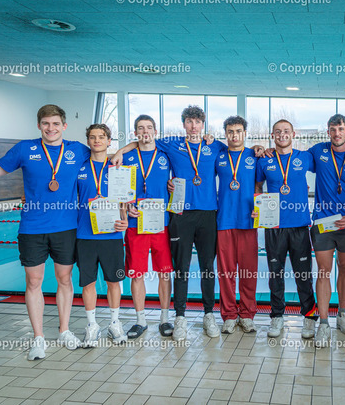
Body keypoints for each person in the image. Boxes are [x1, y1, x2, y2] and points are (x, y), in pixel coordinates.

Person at [112, 106, 264, 340]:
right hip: (180, 214)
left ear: (203, 125)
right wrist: (121, 150)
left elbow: (240, 150)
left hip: (208, 214)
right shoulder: (172, 144)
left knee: (207, 267)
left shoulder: (215, 146)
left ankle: (208, 314)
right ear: (184, 124)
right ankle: (180, 317)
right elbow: (144, 140)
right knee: (181, 268)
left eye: (198, 122)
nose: (193, 126)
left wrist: (258, 147)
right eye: (189, 122)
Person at [0, 104, 87, 359]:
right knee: (33, 282)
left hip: (66, 227)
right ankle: (38, 337)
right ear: (39, 125)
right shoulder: (25, 149)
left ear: (64, 126)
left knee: (64, 279)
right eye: (46, 123)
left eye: (55, 123)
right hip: (32, 228)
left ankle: (64, 330)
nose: (51, 128)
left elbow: (106, 159)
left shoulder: (78, 150)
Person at [308, 114, 345, 347]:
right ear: (328, 132)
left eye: (341, 129)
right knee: (324, 271)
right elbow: (291, 157)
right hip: (323, 223)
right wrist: (264, 150)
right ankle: (323, 323)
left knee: (344, 267)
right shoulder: (318, 151)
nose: (337, 133)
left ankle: (342, 313)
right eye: (333, 129)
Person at [255, 119, 318, 339]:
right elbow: (257, 185)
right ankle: (277, 317)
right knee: (275, 274)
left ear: (294, 134)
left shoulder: (305, 157)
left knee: (303, 275)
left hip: (299, 225)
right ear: (272, 135)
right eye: (278, 131)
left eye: (286, 131)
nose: (282, 134)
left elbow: (329, 155)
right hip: (274, 226)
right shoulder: (264, 160)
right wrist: (258, 205)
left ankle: (309, 317)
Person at [75, 124, 128, 346]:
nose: (97, 140)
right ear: (88, 141)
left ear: (109, 141)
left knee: (113, 281)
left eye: (102, 137)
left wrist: (125, 219)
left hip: (112, 236)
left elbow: (123, 199)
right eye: (92, 137)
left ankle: (115, 323)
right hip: (85, 235)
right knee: (88, 283)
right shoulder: (79, 168)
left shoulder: (117, 167)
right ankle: (92, 326)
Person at [122, 115, 174, 339]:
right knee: (137, 274)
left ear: (155, 131)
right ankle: (140, 320)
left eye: (149, 127)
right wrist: (126, 205)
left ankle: (164, 318)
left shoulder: (166, 154)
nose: (145, 131)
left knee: (164, 273)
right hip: (136, 224)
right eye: (141, 128)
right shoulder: (126, 156)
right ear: (135, 133)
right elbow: (118, 189)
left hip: (161, 224)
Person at [215, 116, 258, 334]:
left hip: (248, 221)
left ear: (245, 133)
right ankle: (230, 315)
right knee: (226, 273)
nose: (234, 135)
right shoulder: (218, 155)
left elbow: (262, 184)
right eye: (230, 131)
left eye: (238, 131)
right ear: (225, 133)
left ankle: (247, 314)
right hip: (224, 221)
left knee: (249, 271)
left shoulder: (255, 155)